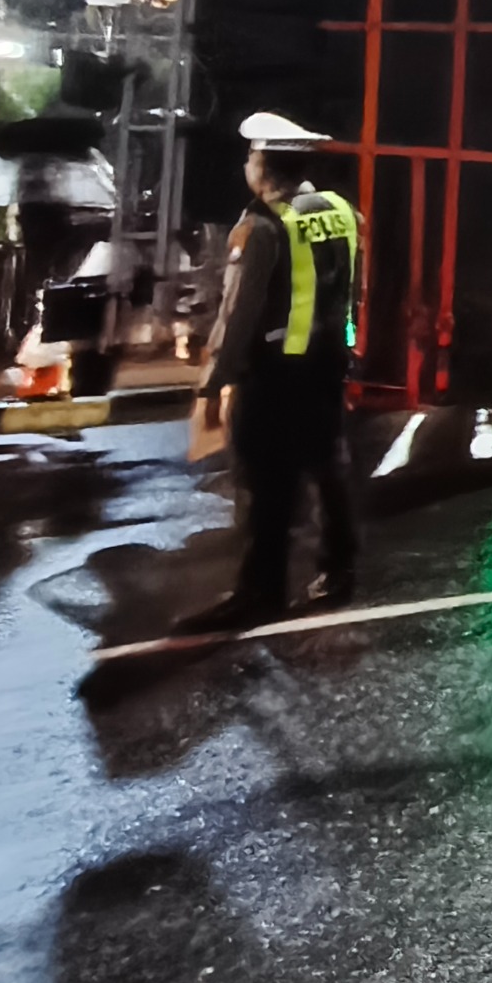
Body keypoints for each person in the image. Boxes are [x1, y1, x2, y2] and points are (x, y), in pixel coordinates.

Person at [177, 112, 363, 633]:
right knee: (328, 467)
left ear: (265, 167)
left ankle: (262, 591)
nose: (246, 167)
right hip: (327, 361)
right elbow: (351, 288)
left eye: (250, 158)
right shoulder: (343, 213)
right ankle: (339, 570)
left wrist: (214, 383)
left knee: (268, 483)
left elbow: (238, 314)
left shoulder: (260, 226)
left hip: (276, 373)